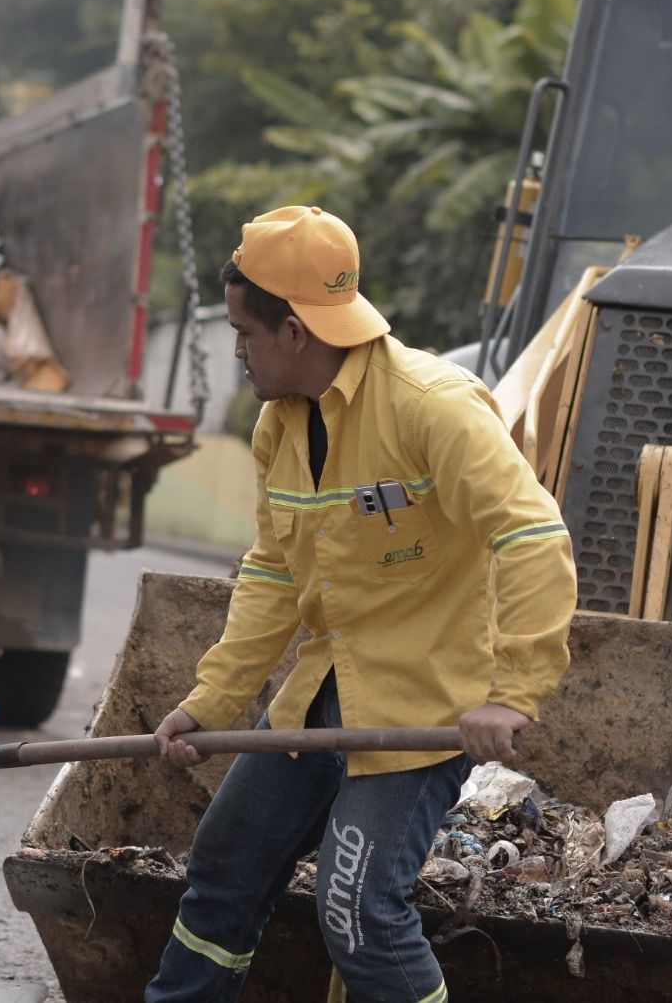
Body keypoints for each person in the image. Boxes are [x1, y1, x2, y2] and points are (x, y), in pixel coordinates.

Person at [146, 206, 577, 1003]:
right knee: (224, 867)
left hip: (426, 704)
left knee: (357, 914)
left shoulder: (431, 406)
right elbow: (275, 572)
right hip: (323, 693)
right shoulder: (280, 424)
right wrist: (214, 701)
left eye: (245, 331)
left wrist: (513, 694)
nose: (236, 348)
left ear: (298, 332)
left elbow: (531, 535)